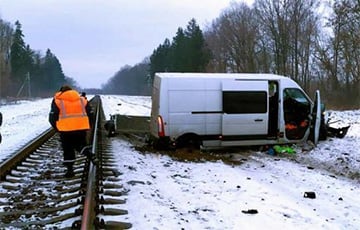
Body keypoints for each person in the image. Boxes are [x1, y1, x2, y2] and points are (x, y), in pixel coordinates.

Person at [49, 85, 91, 178]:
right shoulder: (82, 100)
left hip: (65, 130)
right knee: (80, 145)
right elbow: (90, 113)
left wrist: (57, 128)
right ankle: (89, 153)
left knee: (68, 149)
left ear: (61, 92)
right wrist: (88, 126)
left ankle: (70, 170)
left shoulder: (57, 101)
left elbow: (52, 116)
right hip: (81, 128)